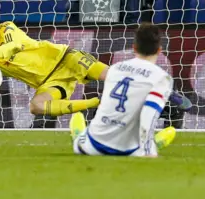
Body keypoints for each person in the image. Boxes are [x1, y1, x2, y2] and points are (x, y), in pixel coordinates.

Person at [0, 7, 107, 116]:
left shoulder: (6, 28)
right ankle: (96, 103)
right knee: (36, 107)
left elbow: (13, 46)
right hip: (50, 82)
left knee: (112, 76)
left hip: (64, 58)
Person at [70, 23, 177, 157]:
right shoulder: (161, 77)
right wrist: (149, 152)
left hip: (91, 146)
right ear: (159, 50)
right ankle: (153, 143)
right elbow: (148, 114)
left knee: (85, 136)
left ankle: (80, 135)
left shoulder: (115, 68)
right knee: (145, 144)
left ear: (134, 48)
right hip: (128, 151)